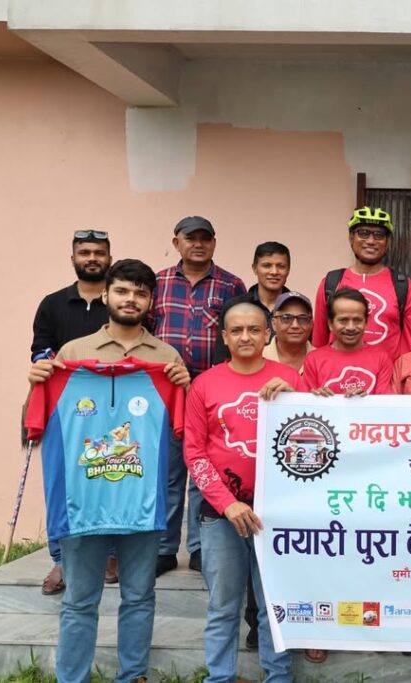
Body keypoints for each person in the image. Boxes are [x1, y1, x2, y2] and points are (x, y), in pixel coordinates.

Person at [26, 259, 190, 683]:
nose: (130, 299)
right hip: (84, 505)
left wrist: (185, 387)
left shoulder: (167, 359)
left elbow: (186, 428)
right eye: (122, 291)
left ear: (151, 301)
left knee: (140, 596)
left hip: (143, 503)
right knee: (80, 600)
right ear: (106, 295)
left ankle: (133, 675)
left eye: (140, 293)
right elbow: (35, 423)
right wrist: (37, 383)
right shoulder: (71, 354)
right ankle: (72, 678)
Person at [184, 300, 298, 683]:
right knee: (222, 606)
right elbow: (194, 452)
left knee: (273, 605)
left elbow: (318, 433)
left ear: (268, 334)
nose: (245, 336)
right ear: (224, 337)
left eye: (253, 329)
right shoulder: (204, 384)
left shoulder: (289, 377)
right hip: (221, 516)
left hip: (278, 513)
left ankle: (278, 677)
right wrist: (227, 503)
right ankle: (219, 677)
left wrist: (298, 397)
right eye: (236, 330)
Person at [152, 215, 247, 576]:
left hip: (212, 391)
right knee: (170, 471)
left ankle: (199, 547)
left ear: (214, 243)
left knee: (205, 469)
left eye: (205, 238)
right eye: (190, 238)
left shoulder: (231, 284)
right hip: (168, 391)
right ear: (176, 242)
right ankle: (165, 548)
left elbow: (237, 332)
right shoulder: (158, 283)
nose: (198, 244)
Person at [30, 229, 113, 594]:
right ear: (74, 258)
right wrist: (47, 362)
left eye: (98, 252)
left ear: (109, 258)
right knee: (62, 484)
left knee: (111, 477)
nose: (92, 258)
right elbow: (39, 349)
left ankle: (112, 554)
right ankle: (60, 558)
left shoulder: (120, 302)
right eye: (85, 252)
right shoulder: (52, 303)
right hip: (64, 407)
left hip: (112, 408)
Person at [311, 206, 411, 358]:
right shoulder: (331, 282)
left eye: (379, 235)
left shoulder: (403, 285)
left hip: (387, 372)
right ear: (351, 238)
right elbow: (319, 341)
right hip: (337, 372)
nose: (371, 241)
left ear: (387, 242)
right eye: (363, 233)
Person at [212, 242, 292, 364]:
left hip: (287, 374)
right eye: (267, 265)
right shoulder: (235, 307)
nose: (274, 272)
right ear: (254, 268)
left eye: (281, 266)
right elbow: (222, 358)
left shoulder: (297, 308)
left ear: (288, 270)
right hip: (243, 374)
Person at [302, 288, 392, 396]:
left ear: (366, 323)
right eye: (343, 320)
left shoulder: (381, 358)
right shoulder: (313, 359)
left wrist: (364, 401)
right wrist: (318, 397)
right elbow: (306, 401)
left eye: (357, 320)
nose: (350, 327)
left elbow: (384, 402)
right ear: (330, 324)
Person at [264, 292, 313, 372]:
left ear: (311, 324)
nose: (295, 325)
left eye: (303, 318)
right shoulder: (258, 358)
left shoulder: (323, 359)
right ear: (274, 324)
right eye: (286, 318)